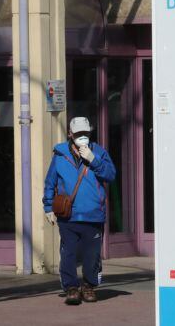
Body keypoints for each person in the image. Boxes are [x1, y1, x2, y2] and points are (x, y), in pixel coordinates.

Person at [43, 116, 117, 305]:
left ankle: (89, 286)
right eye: (78, 134)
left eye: (85, 133)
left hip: (93, 214)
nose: (82, 137)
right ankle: (71, 288)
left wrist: (93, 160)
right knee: (68, 253)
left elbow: (110, 175)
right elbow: (50, 183)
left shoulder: (99, 152)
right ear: (70, 134)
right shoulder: (59, 155)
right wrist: (48, 207)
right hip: (68, 215)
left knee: (91, 254)